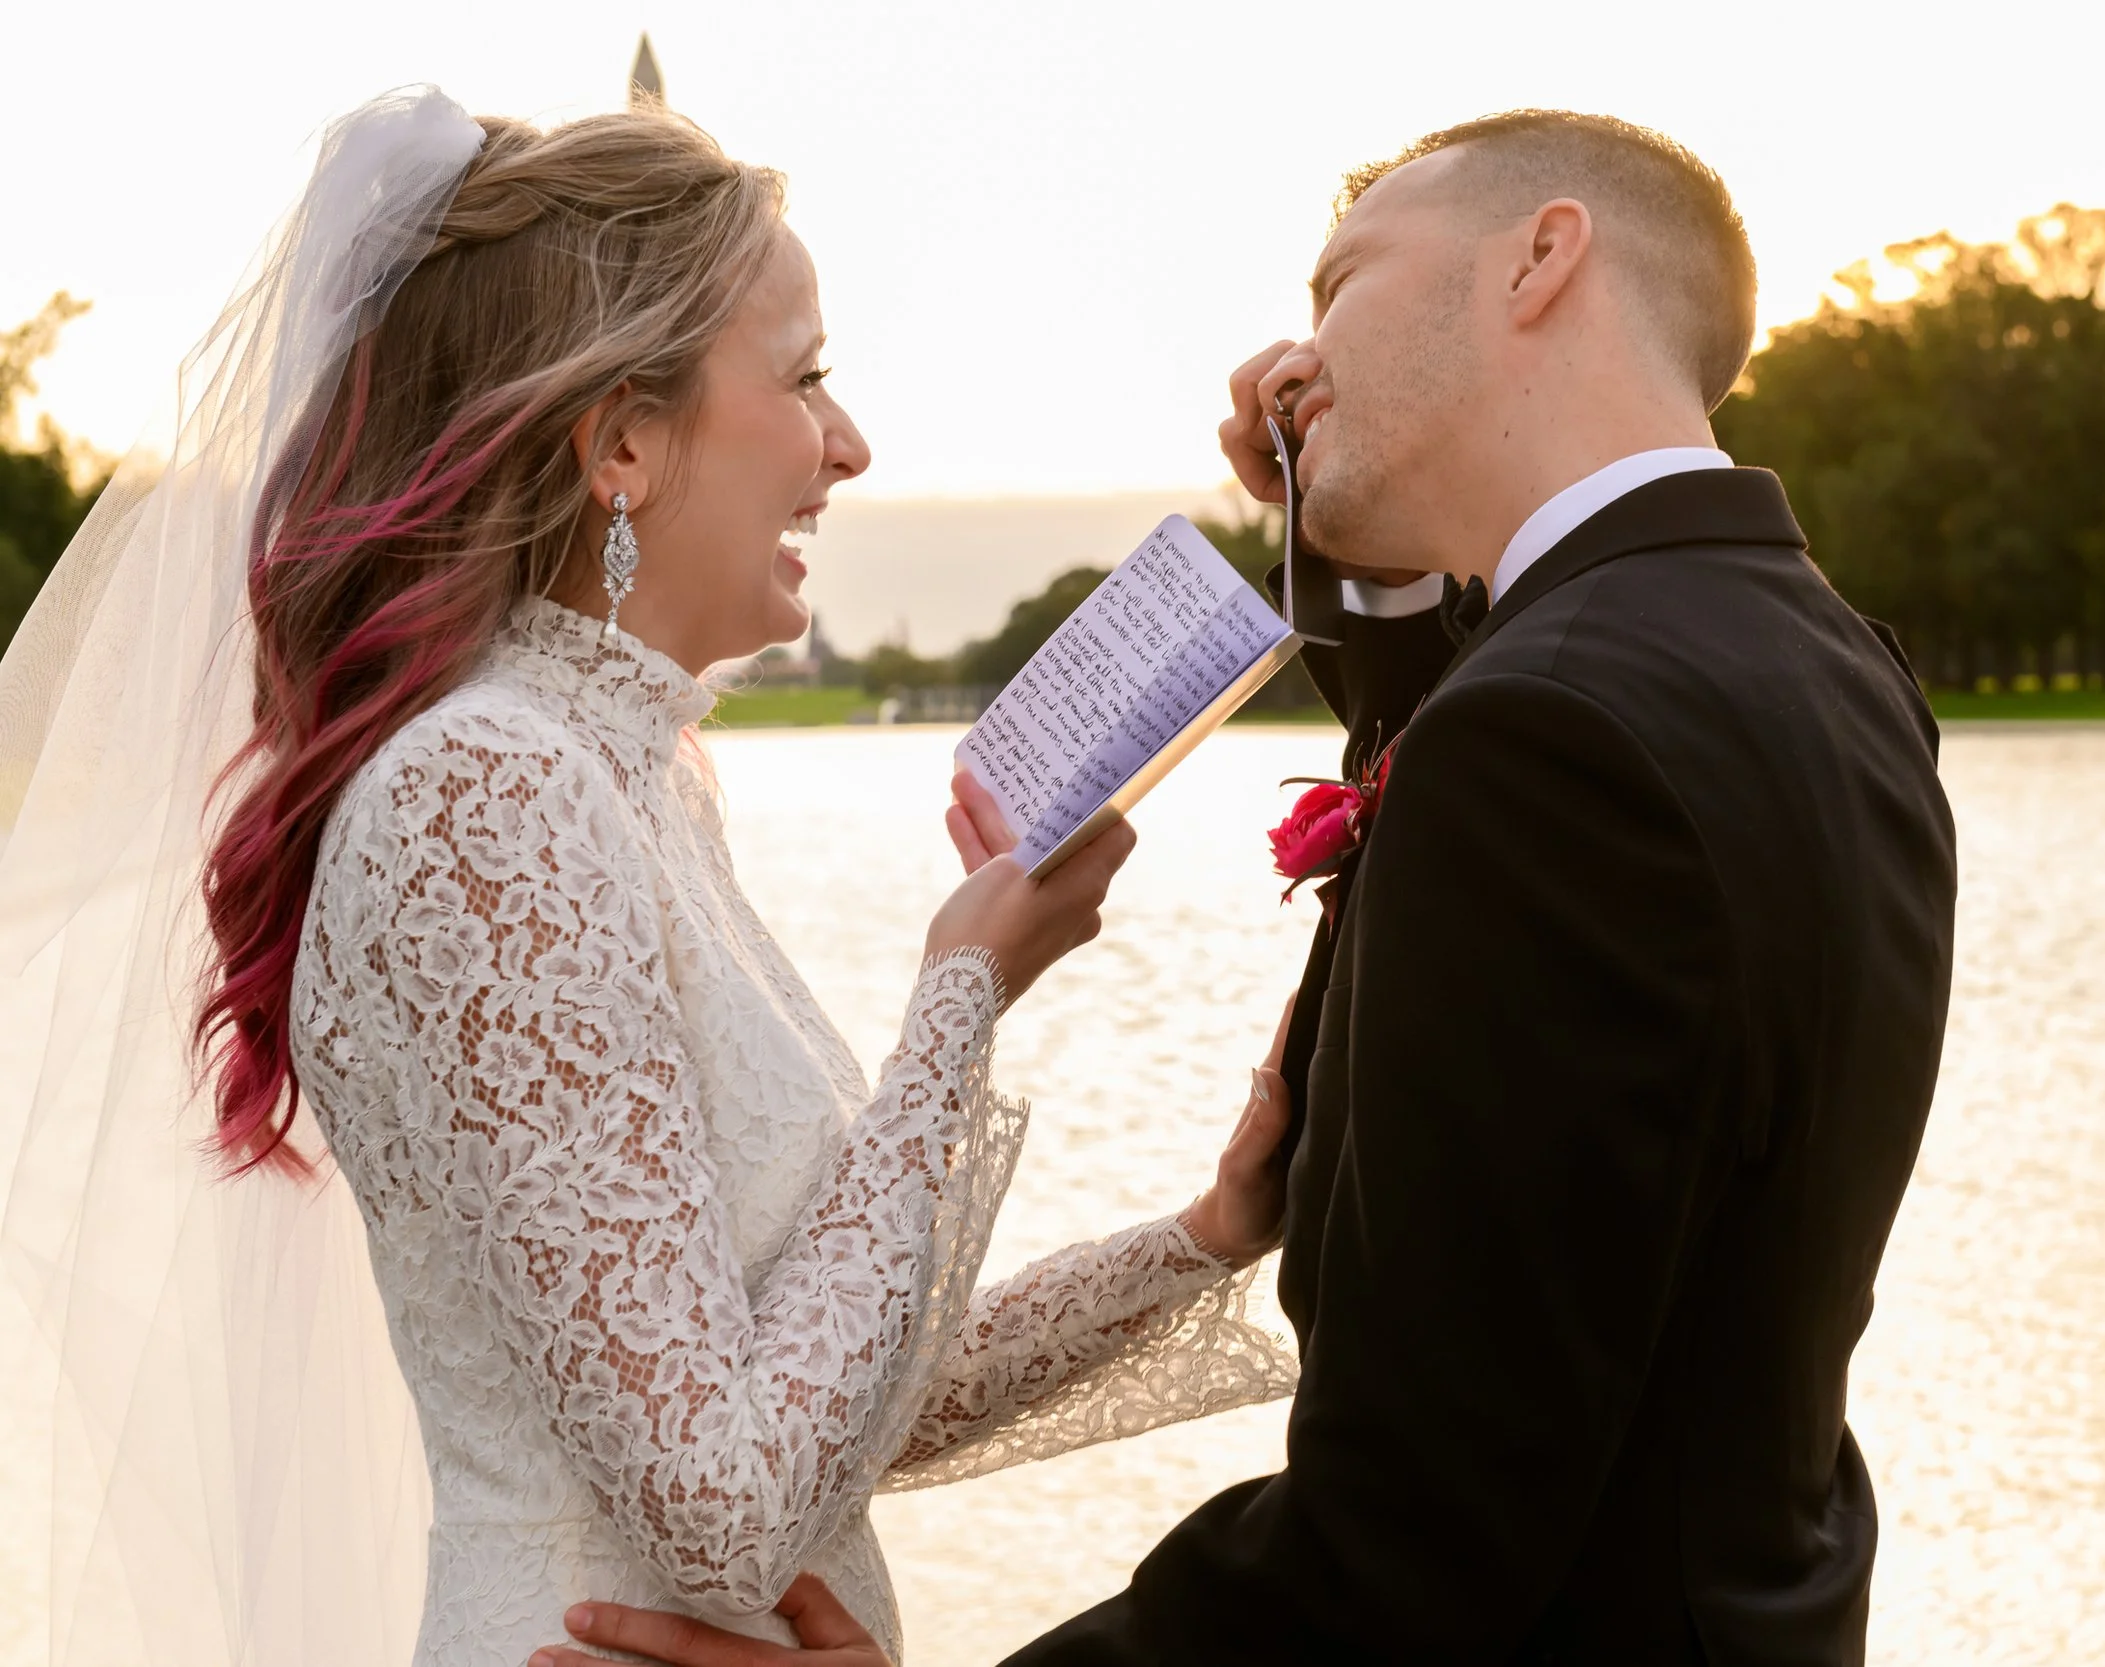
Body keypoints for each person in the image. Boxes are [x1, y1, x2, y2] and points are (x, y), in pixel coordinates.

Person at [548, 108, 1959, 1667]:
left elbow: (1418, 1533)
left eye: (1340, 281)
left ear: (1541, 259)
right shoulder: (1828, 663)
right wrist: (1358, 546)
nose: (1297, 356)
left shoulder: (1546, 739)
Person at [0, 90, 1301, 1666]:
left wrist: (1211, 1226)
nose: (849, 444)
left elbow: (840, 1396)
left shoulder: (633, 777)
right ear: (621, 443)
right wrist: (961, 995)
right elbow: (722, 1506)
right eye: (805, 377)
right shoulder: (486, 789)